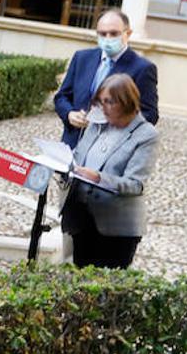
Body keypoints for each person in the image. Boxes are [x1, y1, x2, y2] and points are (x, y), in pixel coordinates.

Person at [61, 74, 158, 269]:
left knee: (106, 290)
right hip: (82, 219)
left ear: (126, 102)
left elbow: (135, 184)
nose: (102, 107)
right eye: (100, 101)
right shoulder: (97, 123)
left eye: (108, 102)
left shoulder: (145, 135)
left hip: (116, 229)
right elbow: (78, 156)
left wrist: (99, 178)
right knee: (80, 283)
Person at [54, 7, 159, 150]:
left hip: (109, 152)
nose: (108, 38)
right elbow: (62, 97)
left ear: (127, 34)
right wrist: (69, 114)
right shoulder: (82, 58)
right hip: (72, 144)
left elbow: (150, 115)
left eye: (114, 33)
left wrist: (116, 124)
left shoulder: (143, 68)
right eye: (102, 34)